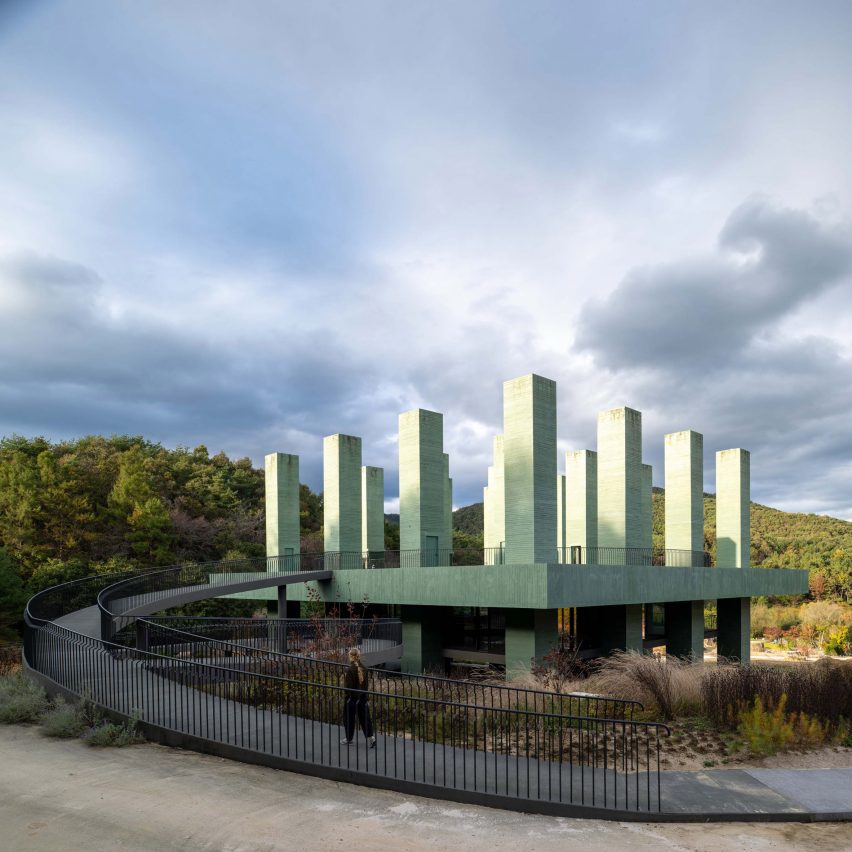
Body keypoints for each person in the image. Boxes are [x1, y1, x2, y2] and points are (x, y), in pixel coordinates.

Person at [340, 647, 376, 748]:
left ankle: (349, 738)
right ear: (358, 656)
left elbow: (348, 688)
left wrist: (347, 696)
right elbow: (365, 686)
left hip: (352, 698)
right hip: (363, 697)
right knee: (365, 718)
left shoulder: (349, 670)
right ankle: (371, 738)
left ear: (350, 657)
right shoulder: (365, 668)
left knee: (349, 718)